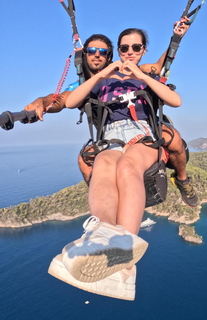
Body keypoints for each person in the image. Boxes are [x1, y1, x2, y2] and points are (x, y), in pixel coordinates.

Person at [48, 28, 184, 301]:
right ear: (117, 52)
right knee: (103, 168)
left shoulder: (145, 78)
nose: (130, 53)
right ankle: (102, 239)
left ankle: (125, 254)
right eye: (124, 49)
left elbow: (175, 101)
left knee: (127, 167)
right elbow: (73, 100)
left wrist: (141, 75)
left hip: (143, 135)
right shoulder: (102, 82)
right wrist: (102, 74)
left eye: (135, 48)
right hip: (111, 138)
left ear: (143, 50)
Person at [24, 19, 198, 208]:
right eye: (91, 51)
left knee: (174, 139)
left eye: (102, 52)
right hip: (109, 132)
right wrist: (41, 102)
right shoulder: (86, 83)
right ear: (85, 55)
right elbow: (62, 99)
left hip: (143, 123)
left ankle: (182, 179)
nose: (96, 56)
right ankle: (106, 197)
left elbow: (161, 65)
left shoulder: (137, 71)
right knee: (84, 160)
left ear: (109, 56)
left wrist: (176, 39)